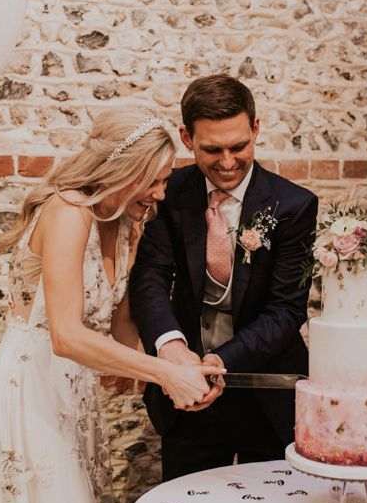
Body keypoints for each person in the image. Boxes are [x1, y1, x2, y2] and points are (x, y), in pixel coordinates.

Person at [0, 109, 225, 503]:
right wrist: (163, 375)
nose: (161, 194)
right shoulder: (69, 211)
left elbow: (123, 329)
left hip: (75, 388)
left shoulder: (129, 223)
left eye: (166, 181)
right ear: (123, 170)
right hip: (32, 385)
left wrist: (179, 363)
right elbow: (65, 335)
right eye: (154, 180)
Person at [129, 74, 318, 480]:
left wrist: (220, 361)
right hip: (187, 392)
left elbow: (286, 311)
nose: (228, 162)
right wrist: (172, 349)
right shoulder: (168, 193)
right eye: (212, 149)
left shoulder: (294, 205)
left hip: (268, 391)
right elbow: (150, 277)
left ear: (255, 128)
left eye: (239, 146)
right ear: (186, 137)